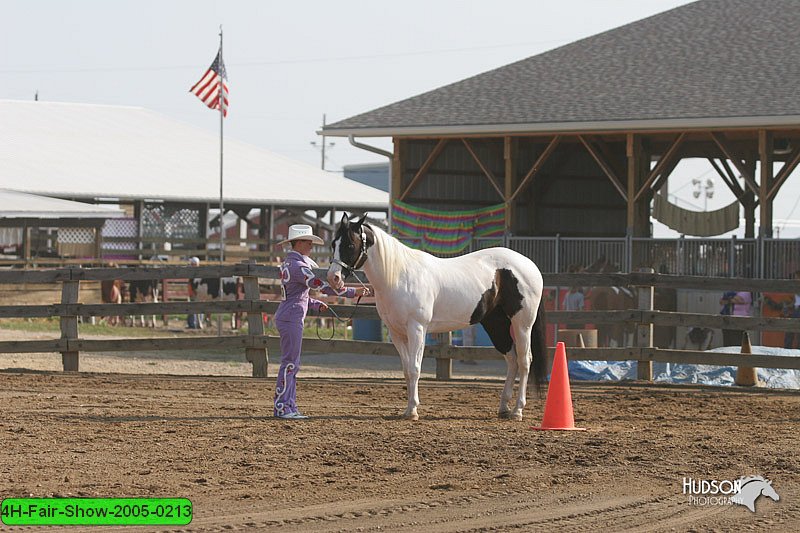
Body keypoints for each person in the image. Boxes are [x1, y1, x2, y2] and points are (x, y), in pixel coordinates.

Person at [273, 224, 368, 419]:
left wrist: (315, 304)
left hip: (290, 314)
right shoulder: (299, 267)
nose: (311, 247)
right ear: (298, 243)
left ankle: (288, 405)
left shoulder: (290, 264)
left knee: (291, 363)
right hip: (291, 317)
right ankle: (283, 407)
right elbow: (322, 286)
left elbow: (297, 294)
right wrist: (352, 292)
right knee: (290, 363)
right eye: (308, 243)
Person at [187, 257, 203, 329]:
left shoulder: (195, 273)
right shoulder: (196, 273)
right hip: (195, 292)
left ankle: (194, 323)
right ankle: (194, 323)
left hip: (197, 292)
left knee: (195, 307)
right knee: (196, 307)